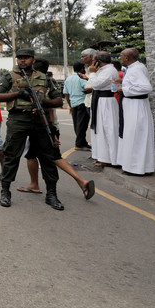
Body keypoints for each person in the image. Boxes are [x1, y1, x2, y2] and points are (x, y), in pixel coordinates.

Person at [0, 48, 65, 211]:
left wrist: (44, 103)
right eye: (20, 58)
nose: (22, 61)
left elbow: (59, 100)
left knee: (47, 156)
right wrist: (19, 94)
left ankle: (51, 194)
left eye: (26, 58)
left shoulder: (44, 77)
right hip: (19, 118)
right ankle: (5, 192)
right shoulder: (9, 76)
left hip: (40, 119)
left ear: (33, 60)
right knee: (11, 155)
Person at [15, 59, 95, 201]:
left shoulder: (42, 86)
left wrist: (52, 132)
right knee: (33, 155)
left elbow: (50, 111)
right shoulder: (48, 83)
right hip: (46, 127)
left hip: (45, 127)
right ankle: (35, 184)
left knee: (53, 157)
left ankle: (81, 181)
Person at [116, 48, 155, 175]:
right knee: (133, 136)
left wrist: (123, 89)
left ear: (127, 57)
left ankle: (137, 168)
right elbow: (135, 83)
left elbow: (146, 87)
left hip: (136, 106)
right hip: (132, 106)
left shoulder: (137, 68)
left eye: (121, 56)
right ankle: (135, 166)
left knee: (137, 136)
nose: (120, 58)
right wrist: (123, 83)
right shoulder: (134, 68)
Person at [86, 51, 120, 168]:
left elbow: (96, 84)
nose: (92, 63)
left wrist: (91, 73)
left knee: (107, 130)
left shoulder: (109, 70)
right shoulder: (106, 70)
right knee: (102, 130)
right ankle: (103, 156)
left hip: (105, 102)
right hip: (102, 101)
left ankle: (109, 158)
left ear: (99, 61)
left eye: (94, 60)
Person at [63, 61, 90, 151]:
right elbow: (88, 88)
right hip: (82, 103)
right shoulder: (82, 79)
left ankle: (83, 142)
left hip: (73, 103)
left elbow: (66, 93)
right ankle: (79, 144)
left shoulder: (68, 79)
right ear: (82, 69)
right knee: (82, 125)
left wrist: (70, 105)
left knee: (77, 124)